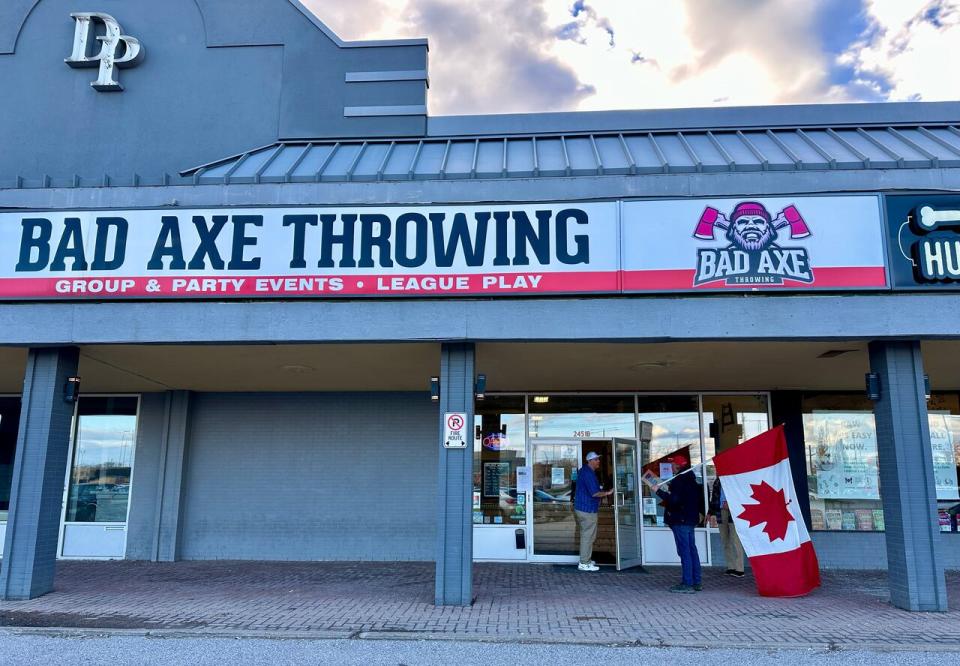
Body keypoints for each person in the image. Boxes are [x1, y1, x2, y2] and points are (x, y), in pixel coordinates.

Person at [655, 454, 704, 593]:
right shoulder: (692, 480)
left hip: (680, 520)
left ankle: (687, 583)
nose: (670, 466)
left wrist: (659, 491)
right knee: (692, 550)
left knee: (685, 551)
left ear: (677, 466)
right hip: (690, 520)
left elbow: (674, 501)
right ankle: (696, 581)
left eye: (672, 464)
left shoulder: (679, 480)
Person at [573, 451, 614, 571]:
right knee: (588, 536)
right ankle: (584, 563)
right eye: (596, 459)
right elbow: (595, 493)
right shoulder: (588, 474)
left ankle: (587, 559)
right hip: (587, 509)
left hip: (583, 508)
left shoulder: (584, 471)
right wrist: (608, 492)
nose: (598, 461)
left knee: (588, 535)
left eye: (598, 459)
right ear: (590, 461)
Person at [708, 477, 745, 577]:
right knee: (725, 540)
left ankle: (739, 568)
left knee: (735, 540)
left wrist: (732, 503)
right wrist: (710, 512)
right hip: (720, 511)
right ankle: (730, 566)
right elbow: (714, 497)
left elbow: (741, 494)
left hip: (734, 512)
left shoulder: (734, 478)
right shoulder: (717, 481)